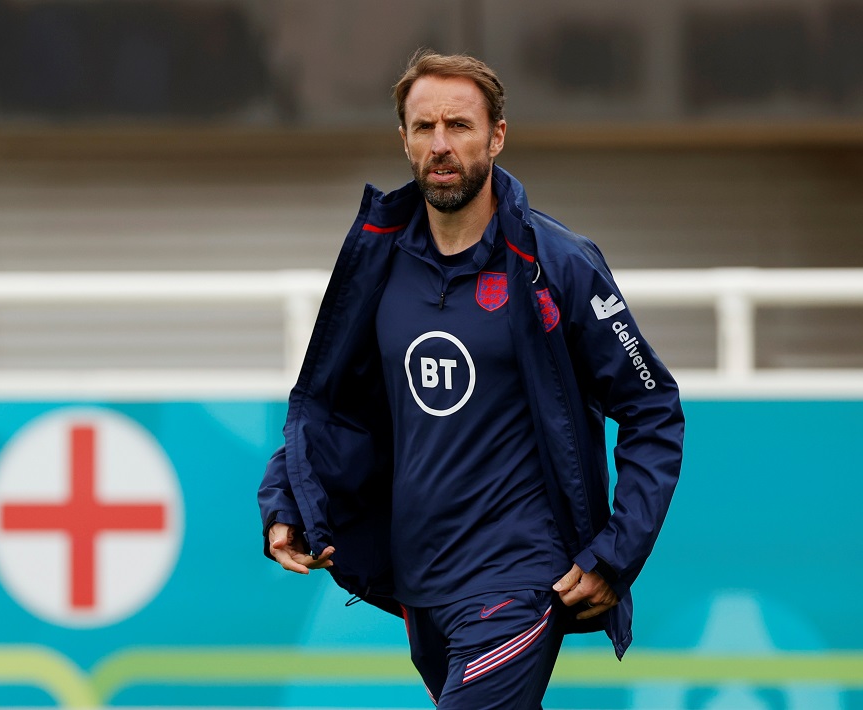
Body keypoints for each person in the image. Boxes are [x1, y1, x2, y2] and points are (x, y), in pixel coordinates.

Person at [258, 49, 684, 709]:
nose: (441, 144)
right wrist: (288, 496)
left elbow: (653, 408)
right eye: (424, 128)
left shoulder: (558, 263)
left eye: (459, 125)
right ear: (403, 138)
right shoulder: (378, 264)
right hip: (421, 585)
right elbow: (337, 402)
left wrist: (616, 552)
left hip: (519, 578)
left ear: (497, 136)